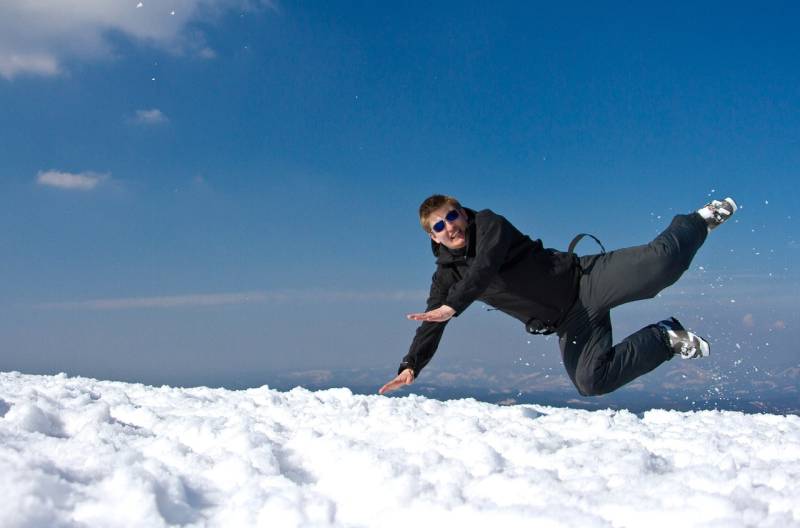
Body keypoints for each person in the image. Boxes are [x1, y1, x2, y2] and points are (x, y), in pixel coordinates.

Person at [378, 194, 737, 397]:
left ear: (463, 215)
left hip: (584, 281)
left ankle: (698, 221)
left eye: (452, 216)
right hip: (569, 322)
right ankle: (664, 338)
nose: (450, 226)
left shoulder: (490, 225)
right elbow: (431, 322)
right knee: (591, 382)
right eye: (439, 225)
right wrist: (411, 365)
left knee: (663, 265)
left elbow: (484, 267)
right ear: (434, 238)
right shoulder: (445, 276)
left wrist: (454, 305)